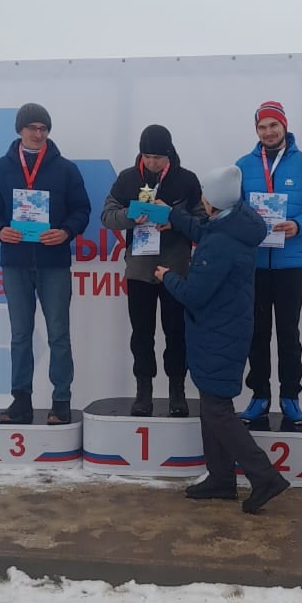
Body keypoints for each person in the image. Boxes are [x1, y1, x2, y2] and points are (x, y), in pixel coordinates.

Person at [155, 166, 290, 513]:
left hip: (217, 332)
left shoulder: (220, 244)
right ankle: (220, 477)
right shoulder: (236, 221)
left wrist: (167, 277)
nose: (201, 197)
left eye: (204, 193)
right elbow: (203, 229)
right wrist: (173, 215)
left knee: (218, 411)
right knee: (211, 406)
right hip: (223, 328)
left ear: (212, 201)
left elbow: (195, 294)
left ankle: (265, 477)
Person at [0, 103, 91, 425]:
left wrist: (66, 231)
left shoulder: (66, 169)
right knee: (20, 334)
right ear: (20, 130)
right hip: (15, 262)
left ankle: (61, 401)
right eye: (32, 127)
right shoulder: (0, 168)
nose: (38, 134)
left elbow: (82, 210)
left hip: (53, 262)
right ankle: (21, 401)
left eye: (43, 128)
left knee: (59, 334)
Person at [236, 101, 302, 427]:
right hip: (255, 265)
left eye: (273, 125)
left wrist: (298, 225)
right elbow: (233, 209)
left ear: (284, 126)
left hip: (290, 264)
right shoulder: (243, 165)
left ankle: (291, 396)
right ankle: (259, 396)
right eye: (262, 127)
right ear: (256, 131)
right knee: (256, 334)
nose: (268, 132)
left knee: (289, 333)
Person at [101, 124, 202, 418]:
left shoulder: (187, 180)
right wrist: (130, 216)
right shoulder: (128, 179)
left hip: (175, 270)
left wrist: (174, 219)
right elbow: (107, 216)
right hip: (139, 270)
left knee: (176, 333)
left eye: (158, 157)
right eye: (147, 157)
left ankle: (177, 391)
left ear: (169, 154)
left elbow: (202, 221)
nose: (152, 163)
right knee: (141, 334)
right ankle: (143, 391)